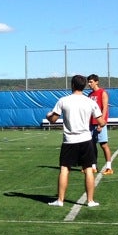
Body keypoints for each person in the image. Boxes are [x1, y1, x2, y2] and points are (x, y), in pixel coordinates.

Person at [46, 75, 106, 207]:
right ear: (84, 86)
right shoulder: (90, 102)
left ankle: (60, 200)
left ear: (72, 85)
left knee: (64, 169)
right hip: (86, 140)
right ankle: (90, 201)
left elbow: (53, 119)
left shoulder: (63, 100)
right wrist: (101, 121)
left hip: (69, 141)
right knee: (88, 169)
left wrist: (48, 115)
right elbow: (101, 121)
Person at [87, 74, 113, 173]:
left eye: (91, 82)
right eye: (88, 82)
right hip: (90, 124)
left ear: (96, 82)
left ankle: (109, 167)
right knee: (92, 145)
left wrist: (101, 123)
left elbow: (105, 108)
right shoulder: (89, 95)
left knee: (103, 144)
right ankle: (93, 166)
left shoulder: (103, 93)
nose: (89, 84)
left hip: (100, 123)